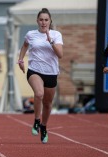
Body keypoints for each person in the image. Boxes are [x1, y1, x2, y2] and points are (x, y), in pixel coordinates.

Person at [18, 8, 63, 144]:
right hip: (34, 70)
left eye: (46, 20)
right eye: (41, 20)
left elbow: (60, 54)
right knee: (38, 94)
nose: (43, 22)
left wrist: (50, 41)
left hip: (51, 72)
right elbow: (25, 46)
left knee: (48, 104)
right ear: (37, 21)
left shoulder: (56, 35)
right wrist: (20, 59)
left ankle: (44, 126)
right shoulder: (31, 34)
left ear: (50, 21)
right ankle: (37, 120)